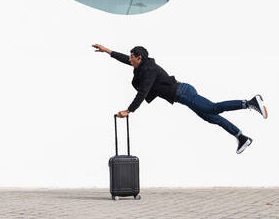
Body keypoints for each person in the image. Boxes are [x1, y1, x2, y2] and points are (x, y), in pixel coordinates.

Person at [92, 44, 268, 154]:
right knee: (210, 117)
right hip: (182, 93)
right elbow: (124, 59)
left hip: (183, 92)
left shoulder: (149, 70)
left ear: (140, 58)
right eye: (130, 57)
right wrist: (108, 51)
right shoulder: (142, 65)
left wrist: (129, 110)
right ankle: (241, 137)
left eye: (132, 57)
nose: (130, 59)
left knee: (213, 109)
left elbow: (143, 92)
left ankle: (249, 103)